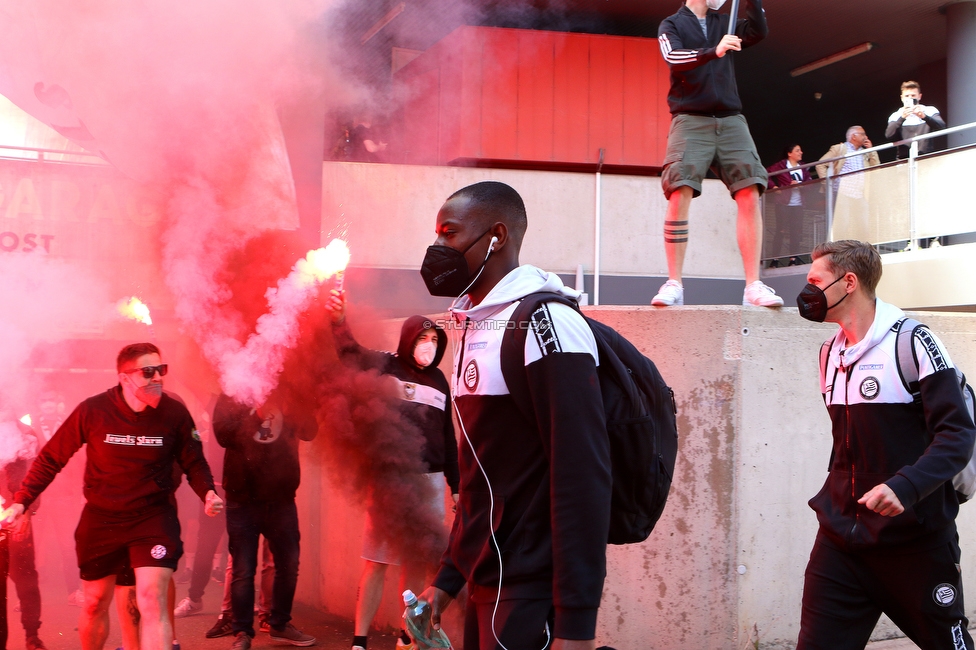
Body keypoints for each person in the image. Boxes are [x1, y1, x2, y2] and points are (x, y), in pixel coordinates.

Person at [417, 180, 611, 650]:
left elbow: (582, 475)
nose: (437, 247)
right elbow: (482, 476)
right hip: (488, 578)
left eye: (449, 233)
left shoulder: (547, 324)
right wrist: (447, 580)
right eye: (437, 234)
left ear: (496, 236)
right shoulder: (471, 323)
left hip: (529, 587)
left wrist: (575, 623)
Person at [795, 240, 976, 649]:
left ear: (848, 283)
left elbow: (957, 435)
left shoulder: (913, 342)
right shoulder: (829, 353)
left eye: (814, 281)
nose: (805, 291)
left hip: (915, 545)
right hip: (840, 542)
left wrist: (904, 487)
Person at [0, 343, 223, 650]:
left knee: (151, 600)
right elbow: (51, 458)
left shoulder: (174, 413)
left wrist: (207, 492)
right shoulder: (94, 410)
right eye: (148, 372)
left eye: (161, 370)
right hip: (102, 518)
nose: (157, 377)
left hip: (153, 518)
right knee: (94, 603)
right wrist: (22, 501)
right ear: (124, 377)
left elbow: (194, 459)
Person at [326, 293, 460, 650]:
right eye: (422, 338)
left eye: (434, 340)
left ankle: (408, 635)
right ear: (407, 339)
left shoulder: (440, 382)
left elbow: (448, 436)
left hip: (429, 481)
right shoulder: (386, 365)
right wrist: (338, 321)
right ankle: (359, 640)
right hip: (391, 480)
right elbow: (351, 354)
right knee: (376, 561)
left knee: (416, 562)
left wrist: (456, 485)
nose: (428, 346)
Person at [652, 0, 783, 308]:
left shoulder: (724, 21)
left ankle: (753, 284)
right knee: (679, 189)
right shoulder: (671, 25)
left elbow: (757, 32)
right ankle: (674, 282)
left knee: (750, 189)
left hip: (730, 118)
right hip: (689, 119)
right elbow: (674, 57)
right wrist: (715, 50)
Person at [213, 391, 318, 649]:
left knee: (288, 564)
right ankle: (242, 632)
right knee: (243, 569)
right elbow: (223, 435)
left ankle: (279, 624)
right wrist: (256, 415)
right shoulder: (233, 390)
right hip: (243, 498)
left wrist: (297, 403)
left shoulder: (292, 390)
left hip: (281, 497)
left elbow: (309, 431)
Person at [0, 416, 46, 650]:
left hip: (17, 515)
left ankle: (32, 635)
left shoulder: (25, 433)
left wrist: (27, 512)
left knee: (26, 578)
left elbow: (35, 477)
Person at [816, 127, 880, 242]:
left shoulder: (864, 152)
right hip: (842, 193)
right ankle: (837, 251)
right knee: (842, 224)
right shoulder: (840, 148)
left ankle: (861, 251)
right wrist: (827, 185)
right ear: (853, 136)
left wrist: (871, 150)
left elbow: (876, 167)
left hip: (859, 195)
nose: (865, 137)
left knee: (863, 225)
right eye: (863, 134)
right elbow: (820, 164)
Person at [766, 144, 812, 266]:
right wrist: (774, 187)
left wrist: (800, 185)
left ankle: (793, 259)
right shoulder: (782, 165)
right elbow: (766, 173)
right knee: (780, 230)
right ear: (789, 153)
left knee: (795, 232)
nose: (801, 152)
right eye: (797, 150)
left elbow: (810, 184)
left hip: (798, 205)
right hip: (783, 203)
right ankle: (774, 260)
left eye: (801, 150)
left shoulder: (803, 167)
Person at [885, 81, 945, 159]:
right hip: (904, 160)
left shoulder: (929, 110)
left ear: (919, 96)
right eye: (907, 96)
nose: (910, 98)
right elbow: (889, 135)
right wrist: (902, 118)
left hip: (927, 158)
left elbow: (942, 127)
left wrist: (924, 117)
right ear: (902, 98)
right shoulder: (896, 115)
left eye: (913, 95)